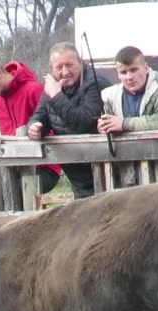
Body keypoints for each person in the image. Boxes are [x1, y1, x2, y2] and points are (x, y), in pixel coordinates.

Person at [28, 42, 106, 199]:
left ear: (80, 62)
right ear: (51, 68)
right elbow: (40, 115)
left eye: (70, 65)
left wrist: (56, 95)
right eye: (59, 67)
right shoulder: (52, 88)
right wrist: (35, 128)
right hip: (77, 175)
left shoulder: (95, 83)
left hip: (103, 173)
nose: (65, 72)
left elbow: (83, 123)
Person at [0, 56, 61, 194]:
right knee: (2, 192)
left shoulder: (33, 90)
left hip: (44, 166)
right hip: (14, 166)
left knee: (18, 191)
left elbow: (53, 127)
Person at [99, 46, 158, 135]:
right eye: (123, 72)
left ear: (145, 68)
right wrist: (104, 127)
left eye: (133, 70)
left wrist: (124, 124)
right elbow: (107, 127)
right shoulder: (110, 96)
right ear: (118, 74)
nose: (129, 77)